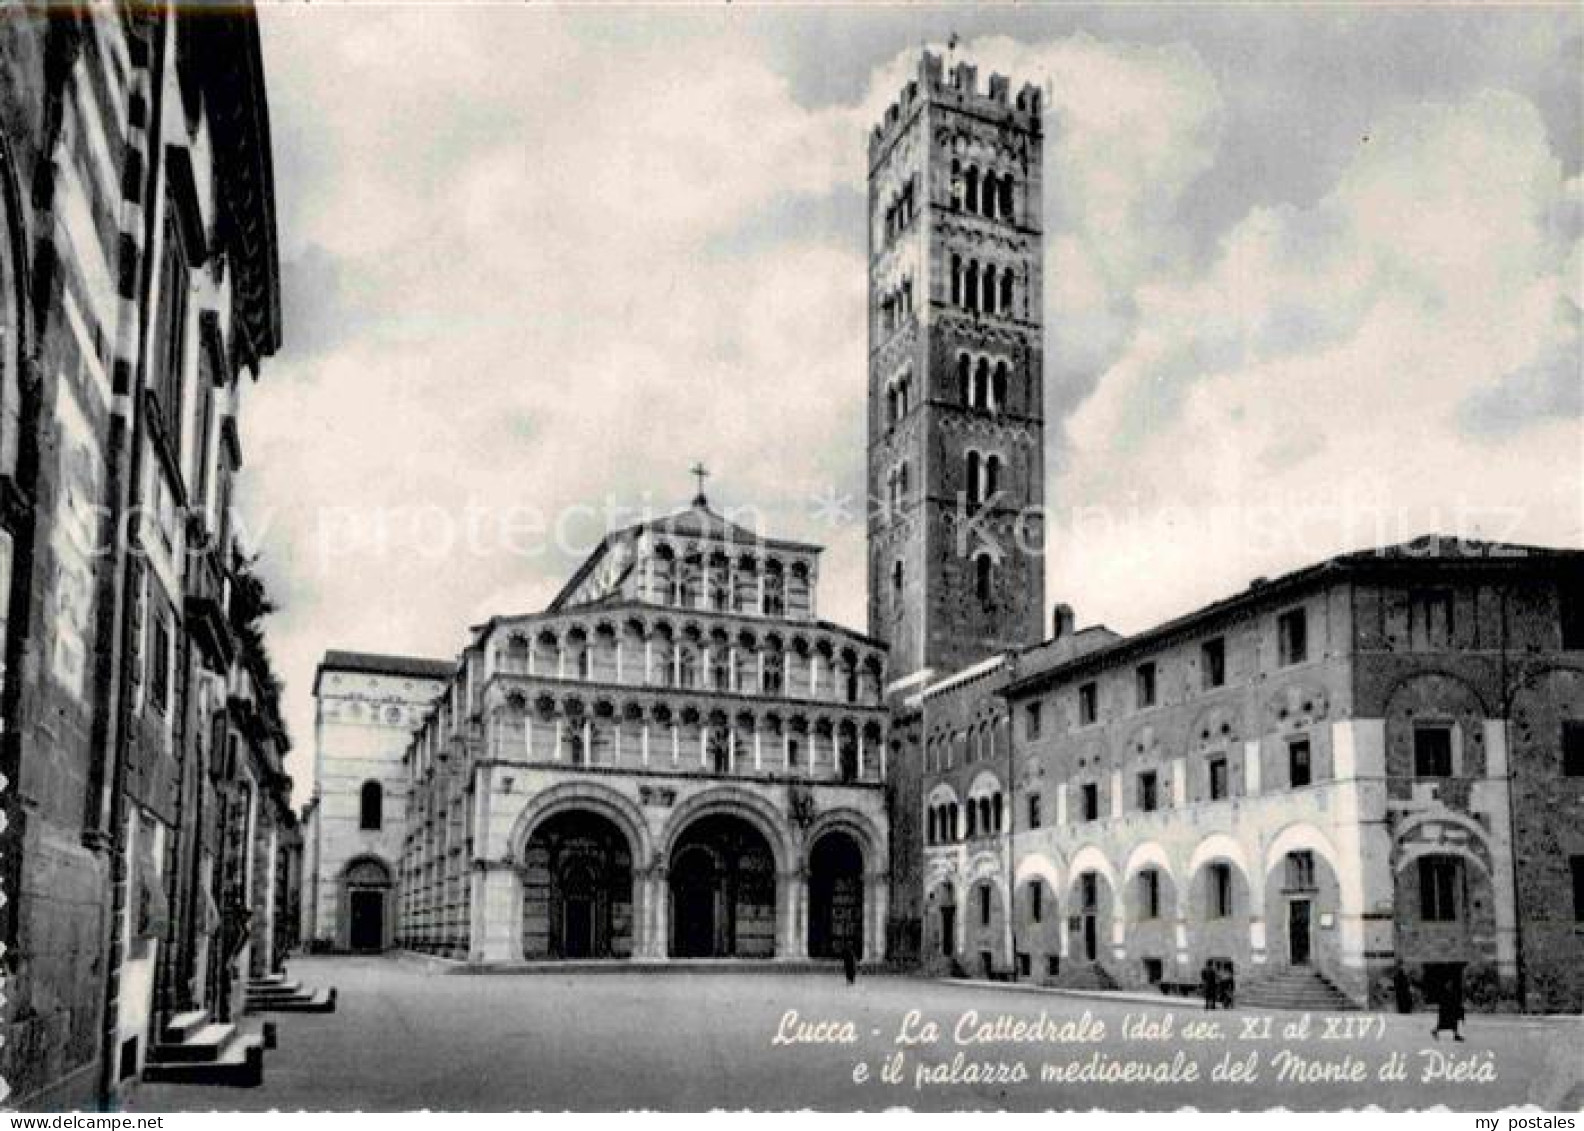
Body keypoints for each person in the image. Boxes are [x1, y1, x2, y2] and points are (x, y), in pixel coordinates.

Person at [1431, 973, 1465, 1042]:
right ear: (1445, 984)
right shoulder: (1444, 993)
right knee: (1443, 1024)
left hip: (1450, 1011)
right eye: (1449, 984)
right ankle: (1435, 1031)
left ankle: (1456, 1035)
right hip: (1445, 1011)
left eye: (1451, 984)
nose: (1450, 985)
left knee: (1454, 1023)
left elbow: (1454, 1001)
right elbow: (1443, 1003)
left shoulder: (1451, 992)